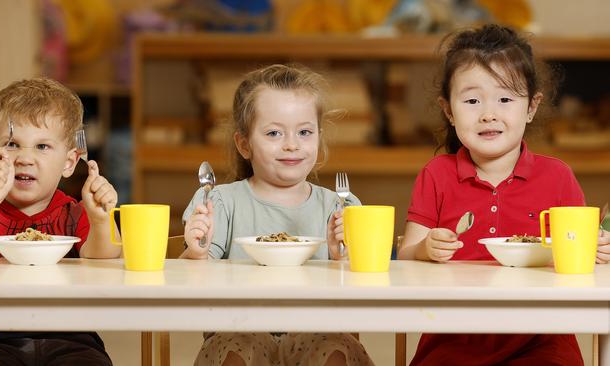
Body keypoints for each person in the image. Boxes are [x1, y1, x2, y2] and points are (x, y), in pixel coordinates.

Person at [398, 24, 610, 365]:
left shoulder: (557, 176)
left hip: (542, 337)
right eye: (471, 100)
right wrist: (425, 249)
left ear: (531, 106)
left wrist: (597, 249)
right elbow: (405, 260)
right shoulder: (436, 175)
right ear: (449, 110)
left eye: (505, 98)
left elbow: (580, 259)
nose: (488, 113)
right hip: (454, 337)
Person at [182, 64, 374, 366]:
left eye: (305, 132)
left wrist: (344, 262)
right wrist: (195, 254)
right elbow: (187, 283)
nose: (292, 144)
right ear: (244, 144)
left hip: (319, 332)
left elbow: (367, 293)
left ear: (319, 139)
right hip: (237, 328)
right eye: (274, 132)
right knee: (237, 349)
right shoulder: (219, 202)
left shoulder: (341, 207)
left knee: (334, 349)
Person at [0, 77, 121, 366]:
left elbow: (105, 259)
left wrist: (100, 220)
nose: (24, 158)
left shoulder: (73, 212)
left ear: (69, 162)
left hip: (72, 336)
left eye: (42, 147)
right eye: (11, 144)